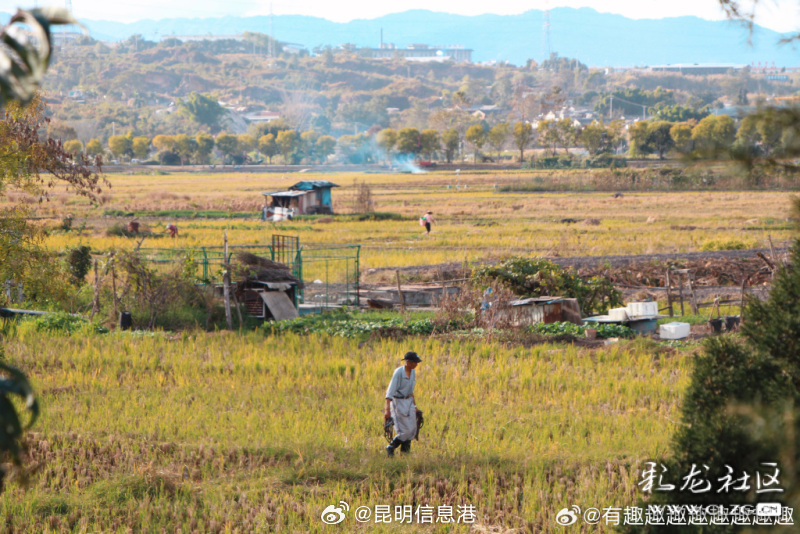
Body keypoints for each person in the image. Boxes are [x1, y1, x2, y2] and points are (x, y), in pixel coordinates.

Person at [384, 351, 422, 457]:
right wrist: (387, 410)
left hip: (408, 401)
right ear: (408, 362)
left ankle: (405, 454)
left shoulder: (413, 372)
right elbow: (389, 392)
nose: (416, 364)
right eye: (415, 362)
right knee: (404, 431)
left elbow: (411, 392)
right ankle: (391, 447)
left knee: (412, 430)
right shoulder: (398, 373)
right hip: (398, 402)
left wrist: (415, 407)